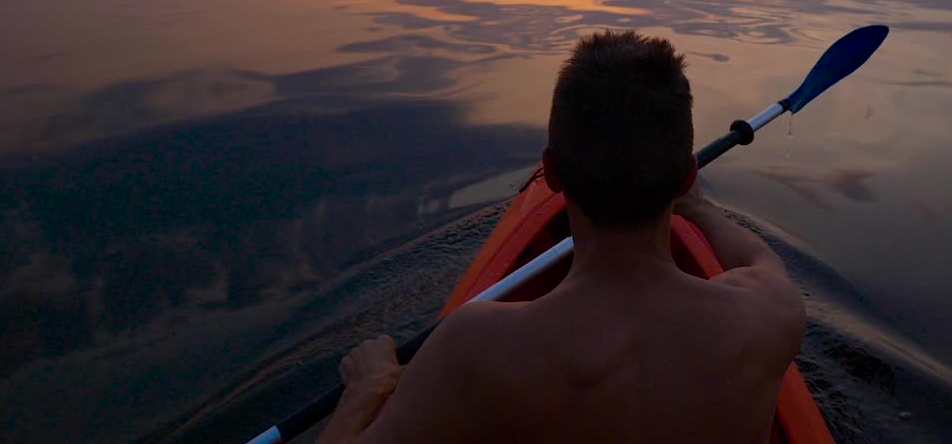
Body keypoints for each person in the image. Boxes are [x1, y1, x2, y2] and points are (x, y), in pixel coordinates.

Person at [319, 30, 807, 444]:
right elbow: (758, 258)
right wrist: (700, 208)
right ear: (684, 179)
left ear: (551, 174)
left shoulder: (470, 349)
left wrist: (369, 385)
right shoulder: (768, 314)